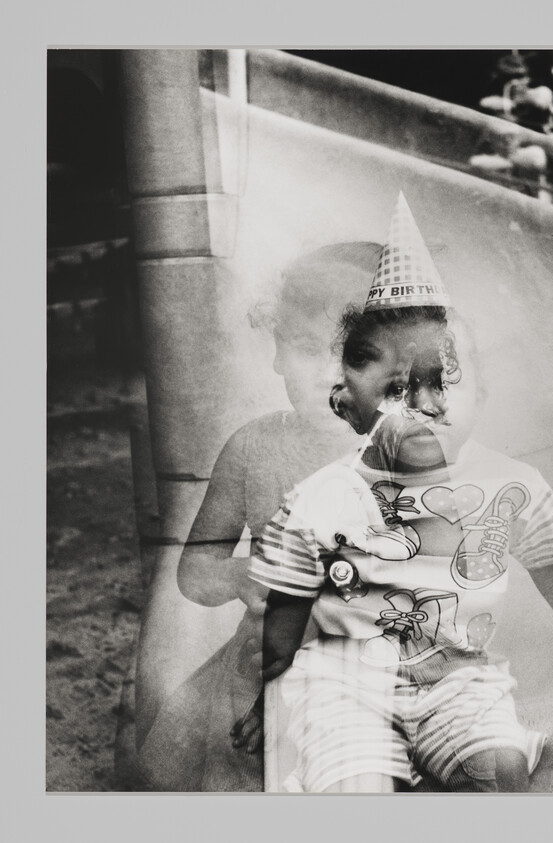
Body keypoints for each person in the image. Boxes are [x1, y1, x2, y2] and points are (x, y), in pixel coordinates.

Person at [230, 193, 553, 793]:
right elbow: (289, 606)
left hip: (459, 682)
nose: (428, 405)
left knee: (500, 771)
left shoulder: (512, 486)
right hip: (339, 684)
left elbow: (551, 560)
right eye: (399, 388)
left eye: (447, 380)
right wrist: (270, 697)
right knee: (355, 787)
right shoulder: (322, 496)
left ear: (485, 389)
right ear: (353, 404)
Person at [136, 242, 378, 790]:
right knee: (183, 756)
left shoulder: (404, 457)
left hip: (372, 670)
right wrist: (235, 574)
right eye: (308, 348)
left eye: (356, 355)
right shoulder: (252, 449)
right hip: (260, 664)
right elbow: (195, 571)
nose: (329, 375)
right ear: (276, 349)